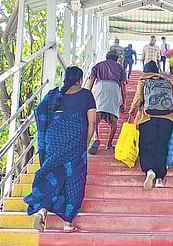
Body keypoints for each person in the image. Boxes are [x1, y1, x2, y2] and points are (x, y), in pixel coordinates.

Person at [23, 66, 96, 232]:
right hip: (75, 138)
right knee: (74, 179)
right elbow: (92, 122)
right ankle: (68, 223)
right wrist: (86, 142)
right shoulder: (86, 94)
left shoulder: (54, 94)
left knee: (52, 173)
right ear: (79, 79)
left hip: (53, 138)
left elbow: (40, 112)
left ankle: (42, 210)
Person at [128, 61, 173, 191]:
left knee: (146, 146)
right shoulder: (167, 82)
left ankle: (149, 170)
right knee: (162, 147)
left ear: (145, 71)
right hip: (167, 118)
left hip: (147, 118)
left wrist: (132, 111)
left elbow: (138, 98)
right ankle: (159, 179)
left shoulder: (144, 81)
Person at [87, 51, 127, 154]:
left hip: (100, 87)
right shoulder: (120, 67)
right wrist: (124, 101)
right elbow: (123, 84)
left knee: (97, 115)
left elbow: (91, 79)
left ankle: (97, 137)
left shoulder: (98, 65)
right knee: (114, 119)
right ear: (117, 58)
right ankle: (109, 144)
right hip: (114, 89)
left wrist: (87, 94)